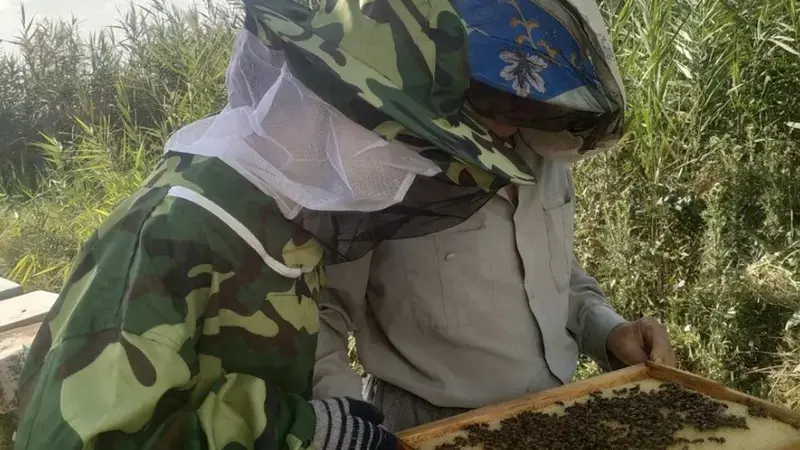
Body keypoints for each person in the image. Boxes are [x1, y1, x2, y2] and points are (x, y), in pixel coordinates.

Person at [12, 1, 654, 450]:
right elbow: (76, 439)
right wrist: (315, 428)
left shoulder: (288, 218)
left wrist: (322, 425)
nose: (420, 172)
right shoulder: (175, 226)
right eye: (419, 145)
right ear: (349, 106)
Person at [311, 0, 677, 433]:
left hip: (553, 414)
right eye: (486, 97)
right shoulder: (378, 170)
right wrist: (354, 428)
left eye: (520, 100)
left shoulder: (543, 156)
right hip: (428, 424)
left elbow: (558, 280)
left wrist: (611, 331)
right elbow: (321, 317)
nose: (506, 124)